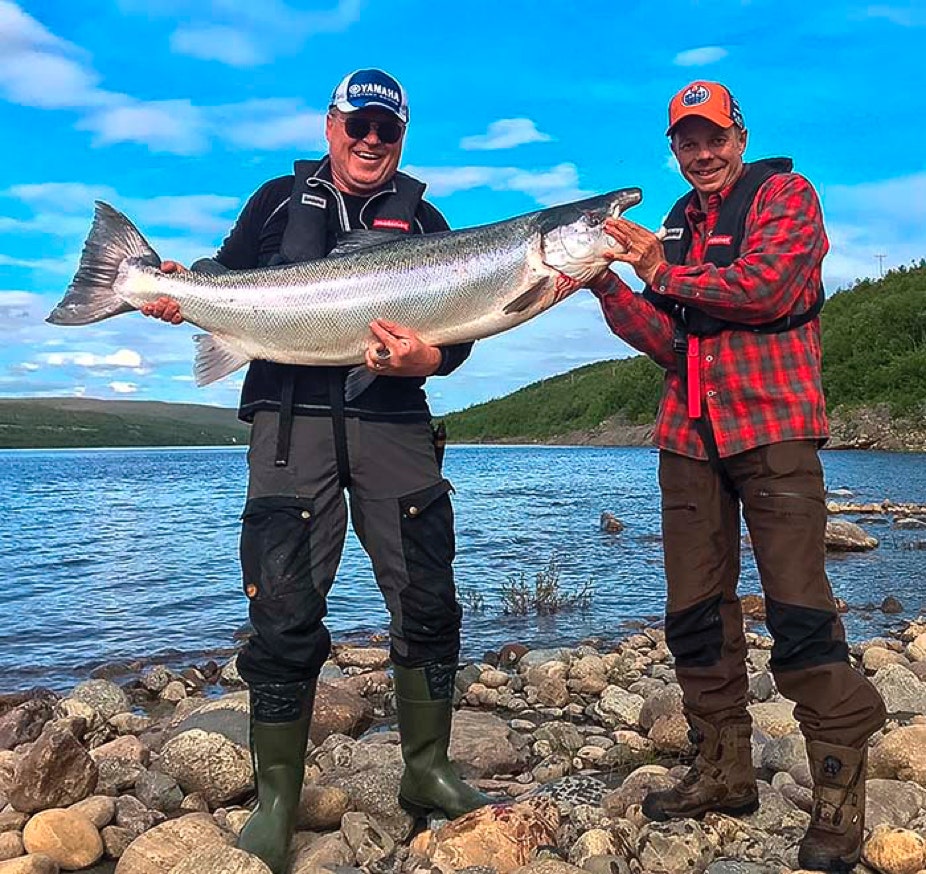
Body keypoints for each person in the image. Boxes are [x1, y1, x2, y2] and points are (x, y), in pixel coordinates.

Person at [143, 68, 497, 874]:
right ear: (329, 126)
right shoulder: (276, 199)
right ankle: (276, 801)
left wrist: (425, 357)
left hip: (395, 426)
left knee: (428, 598)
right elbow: (224, 280)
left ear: (402, 138)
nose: (372, 142)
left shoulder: (431, 221)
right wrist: (180, 294)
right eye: (358, 126)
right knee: (285, 608)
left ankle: (428, 770)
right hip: (288, 430)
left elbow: (463, 337)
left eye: (387, 131)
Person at [588, 80, 886, 872]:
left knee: (799, 610)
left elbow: (767, 288)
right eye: (687, 141)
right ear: (675, 150)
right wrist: (606, 285)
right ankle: (722, 771)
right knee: (692, 613)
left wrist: (655, 267)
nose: (703, 153)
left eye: (714, 136)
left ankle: (835, 800)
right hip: (689, 436)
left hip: (775, 428)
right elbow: (669, 336)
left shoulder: (787, 195)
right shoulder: (678, 227)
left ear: (740, 136)